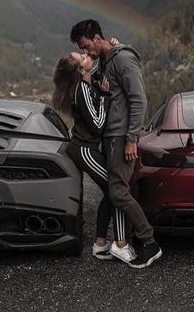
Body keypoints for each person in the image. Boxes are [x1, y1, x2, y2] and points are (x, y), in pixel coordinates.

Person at [70, 19, 162, 269]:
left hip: (121, 138)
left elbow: (139, 99)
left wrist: (132, 138)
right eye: (82, 48)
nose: (85, 51)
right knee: (115, 190)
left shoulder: (122, 59)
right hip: (112, 138)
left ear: (97, 38)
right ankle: (108, 243)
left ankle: (149, 243)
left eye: (86, 45)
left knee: (119, 192)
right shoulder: (107, 61)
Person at [51, 50, 136, 263]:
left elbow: (100, 64)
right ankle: (120, 244)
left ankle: (100, 245)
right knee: (116, 191)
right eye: (83, 57)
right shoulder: (82, 88)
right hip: (84, 150)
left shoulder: (86, 83)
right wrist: (106, 97)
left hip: (86, 148)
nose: (86, 55)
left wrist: (114, 46)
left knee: (111, 192)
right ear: (81, 70)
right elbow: (97, 125)